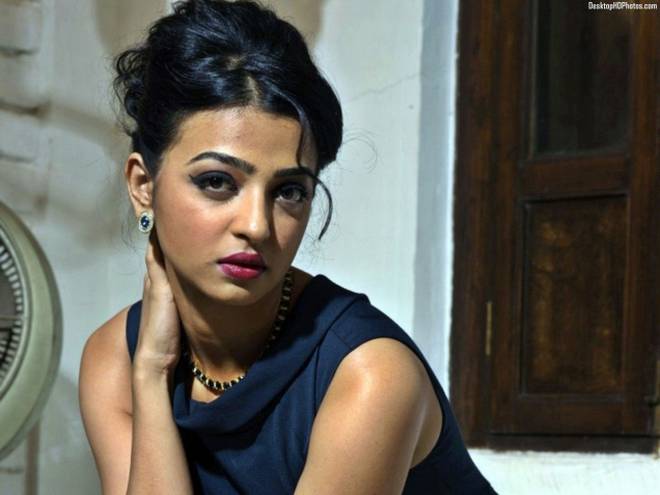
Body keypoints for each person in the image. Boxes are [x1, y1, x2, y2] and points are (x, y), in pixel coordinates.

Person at [78, 1, 496, 493]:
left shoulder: (368, 374)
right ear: (143, 186)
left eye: (289, 191)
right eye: (217, 182)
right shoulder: (116, 358)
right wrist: (151, 372)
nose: (257, 225)